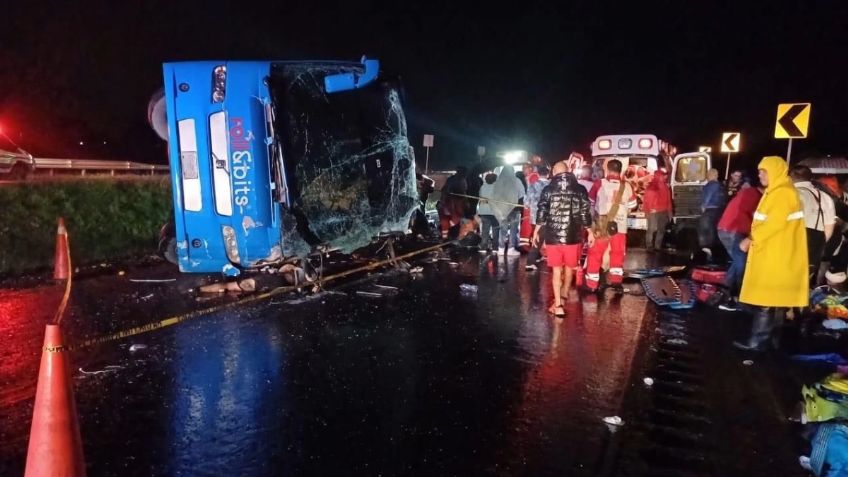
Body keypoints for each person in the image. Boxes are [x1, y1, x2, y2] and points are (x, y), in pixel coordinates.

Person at [734, 156, 808, 352]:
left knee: (766, 300)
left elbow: (773, 224)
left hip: (774, 253)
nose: (760, 174)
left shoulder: (781, 193)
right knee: (775, 300)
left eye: (763, 171)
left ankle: (757, 342)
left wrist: (751, 238)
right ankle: (771, 342)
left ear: (775, 171)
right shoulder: (780, 191)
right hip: (778, 251)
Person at [533, 161, 592, 317]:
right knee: (569, 267)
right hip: (573, 236)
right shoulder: (580, 189)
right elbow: (585, 212)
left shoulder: (548, 189)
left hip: (553, 236)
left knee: (557, 270)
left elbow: (542, 211)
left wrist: (536, 231)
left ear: (554, 171)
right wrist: (590, 231)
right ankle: (565, 293)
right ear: (568, 171)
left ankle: (558, 304)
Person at [585, 159, 636, 291]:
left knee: (596, 254)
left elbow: (590, 202)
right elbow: (633, 206)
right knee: (618, 253)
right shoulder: (628, 186)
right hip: (620, 225)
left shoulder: (599, 184)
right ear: (621, 170)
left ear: (607, 169)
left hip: (602, 223)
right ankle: (616, 282)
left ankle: (591, 284)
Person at [716, 177, 762, 311]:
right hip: (733, 230)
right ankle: (737, 295)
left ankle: (726, 290)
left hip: (730, 229)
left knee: (739, 261)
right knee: (742, 261)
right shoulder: (753, 194)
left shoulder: (749, 192)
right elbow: (753, 214)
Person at [791, 165, 836, 284]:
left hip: (792, 244)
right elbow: (829, 226)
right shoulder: (825, 197)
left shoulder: (792, 194)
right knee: (804, 281)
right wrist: (819, 243)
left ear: (791, 177)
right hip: (817, 243)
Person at [490, 165, 525, 255]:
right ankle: (511, 248)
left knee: (503, 229)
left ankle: (501, 248)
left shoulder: (498, 182)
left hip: (501, 209)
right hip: (514, 208)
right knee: (513, 229)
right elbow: (522, 194)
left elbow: (493, 195)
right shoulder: (517, 181)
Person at [525, 166, 551, 270]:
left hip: (534, 217)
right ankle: (530, 262)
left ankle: (536, 257)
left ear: (538, 174)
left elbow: (526, 203)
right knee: (541, 239)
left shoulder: (532, 186)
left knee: (536, 237)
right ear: (548, 174)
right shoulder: (551, 186)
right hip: (547, 217)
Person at [698, 168, 725, 260]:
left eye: (708, 174)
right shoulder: (720, 185)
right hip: (718, 210)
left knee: (704, 230)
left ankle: (706, 250)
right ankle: (715, 252)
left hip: (709, 209)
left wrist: (703, 207)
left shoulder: (710, 185)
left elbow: (707, 196)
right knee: (714, 230)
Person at [643, 168, 672, 252]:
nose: (665, 177)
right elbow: (646, 200)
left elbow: (668, 200)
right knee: (652, 229)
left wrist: (669, 212)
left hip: (663, 211)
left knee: (661, 229)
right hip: (654, 211)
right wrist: (647, 211)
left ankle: (657, 246)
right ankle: (649, 246)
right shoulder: (651, 187)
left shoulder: (666, 187)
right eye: (663, 175)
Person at [438, 166, 468, 239]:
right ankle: (451, 237)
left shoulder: (452, 179)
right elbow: (463, 192)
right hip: (453, 205)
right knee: (456, 220)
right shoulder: (460, 180)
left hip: (448, 205)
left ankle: (448, 237)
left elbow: (444, 190)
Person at [477, 173, 499, 253]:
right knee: (495, 229)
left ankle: (483, 246)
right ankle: (495, 247)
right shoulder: (497, 187)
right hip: (494, 212)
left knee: (485, 230)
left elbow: (480, 198)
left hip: (484, 211)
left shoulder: (483, 187)